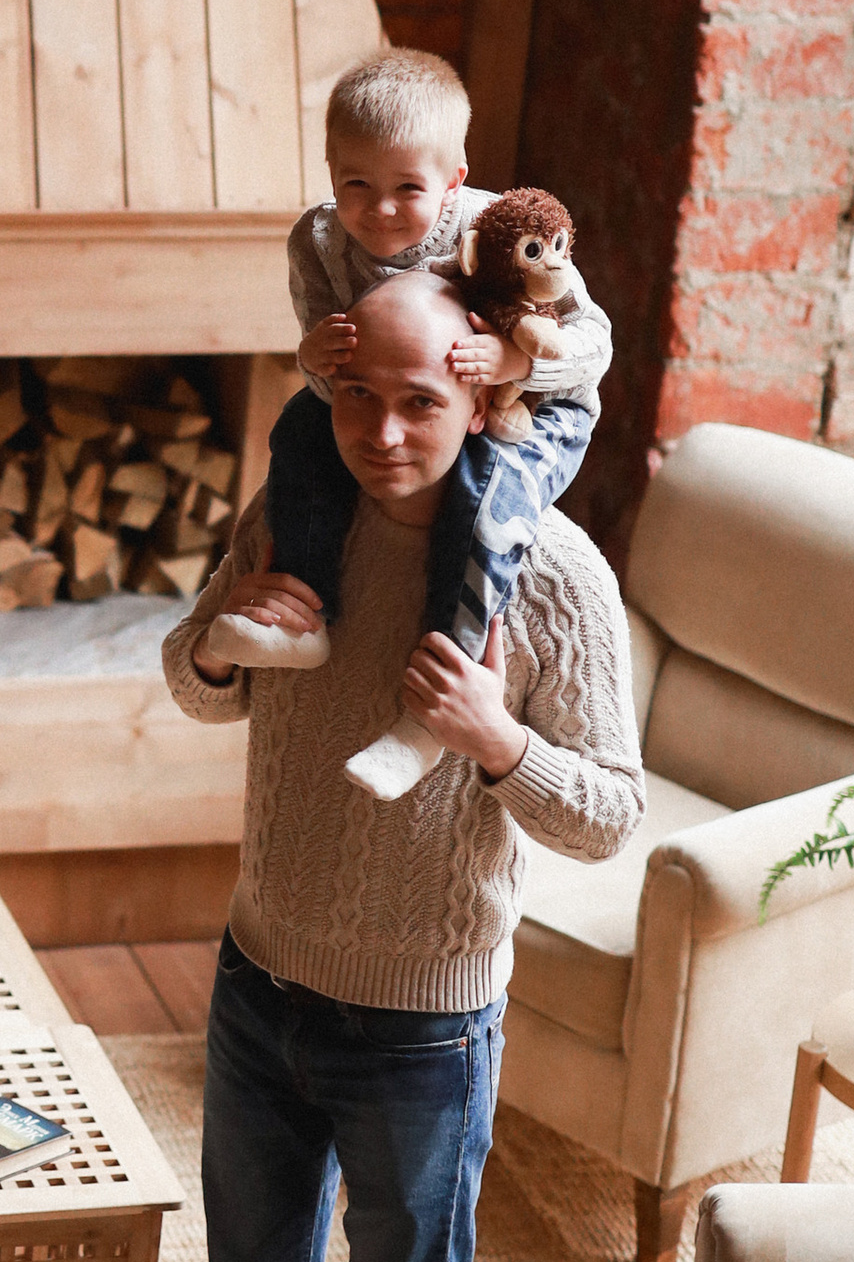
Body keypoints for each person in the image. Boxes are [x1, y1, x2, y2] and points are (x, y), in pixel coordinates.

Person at [72, 269, 642, 1262]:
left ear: (485, 396)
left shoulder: (551, 574)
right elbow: (203, 688)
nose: (386, 434)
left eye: (422, 404)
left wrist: (499, 742)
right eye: (357, 399)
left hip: (425, 1032)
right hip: (263, 981)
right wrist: (221, 639)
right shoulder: (300, 516)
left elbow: (611, 818)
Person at [211, 49, 613, 803]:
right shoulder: (320, 242)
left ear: (454, 180)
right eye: (354, 185)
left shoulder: (502, 234)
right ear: (329, 172)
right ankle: (302, 609)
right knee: (297, 435)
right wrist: (314, 358)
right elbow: (327, 362)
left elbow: (595, 345)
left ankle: (437, 701)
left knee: (482, 499)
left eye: (407, 190)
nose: (380, 210)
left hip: (534, 408)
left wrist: (513, 365)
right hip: (399, 398)